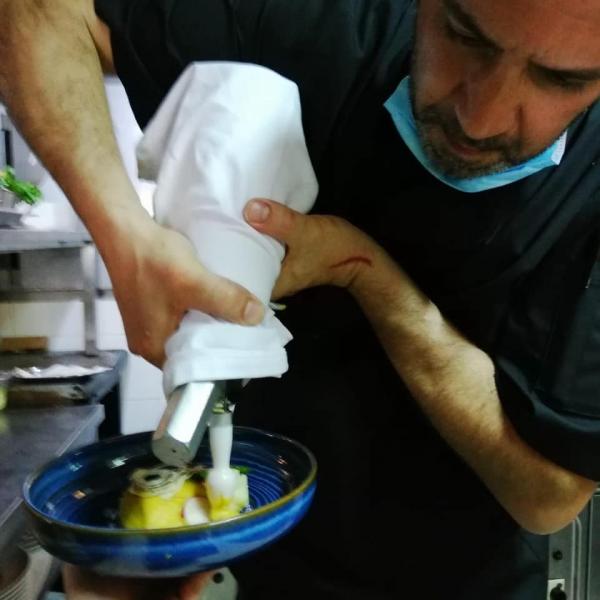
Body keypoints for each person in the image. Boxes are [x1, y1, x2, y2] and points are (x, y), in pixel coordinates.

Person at [1, 0, 600, 598]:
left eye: (561, 79)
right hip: (271, 563)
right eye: (466, 35)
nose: (481, 118)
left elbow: (547, 497)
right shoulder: (323, 23)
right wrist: (123, 235)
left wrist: (363, 272)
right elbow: (40, 11)